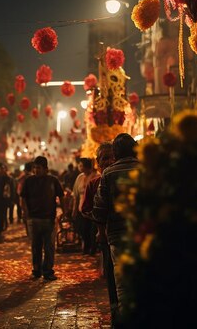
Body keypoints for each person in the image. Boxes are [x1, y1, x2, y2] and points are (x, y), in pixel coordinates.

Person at [93, 133, 139, 318]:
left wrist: (100, 232)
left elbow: (99, 208)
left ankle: (126, 318)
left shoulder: (109, 173)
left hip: (117, 235)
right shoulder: (145, 168)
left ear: (116, 152)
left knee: (121, 281)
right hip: (143, 232)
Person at [81, 142, 117, 316]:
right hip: (106, 236)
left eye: (112, 157)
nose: (109, 161)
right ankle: (115, 309)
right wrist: (100, 222)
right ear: (98, 162)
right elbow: (86, 209)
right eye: (105, 158)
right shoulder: (94, 184)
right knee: (111, 274)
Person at [20, 156, 63, 281]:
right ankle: (36, 270)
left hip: (49, 219)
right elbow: (23, 198)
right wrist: (26, 212)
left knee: (49, 247)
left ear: (46, 169)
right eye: (34, 168)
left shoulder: (53, 180)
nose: (35, 170)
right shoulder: (29, 181)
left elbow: (61, 196)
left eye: (38, 168)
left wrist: (64, 212)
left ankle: (48, 271)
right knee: (35, 246)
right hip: (34, 219)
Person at [72, 158, 98, 255]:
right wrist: (74, 209)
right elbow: (76, 194)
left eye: (81, 165)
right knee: (83, 229)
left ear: (87, 166)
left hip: (93, 208)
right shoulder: (79, 177)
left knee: (92, 230)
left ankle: (92, 249)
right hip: (81, 208)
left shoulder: (96, 176)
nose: (79, 167)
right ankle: (86, 247)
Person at [0, 163, 14, 239]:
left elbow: (11, 190)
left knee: (2, 215)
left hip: (4, 200)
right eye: (0, 168)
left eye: (3, 168)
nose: (1, 170)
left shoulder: (8, 178)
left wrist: (11, 200)